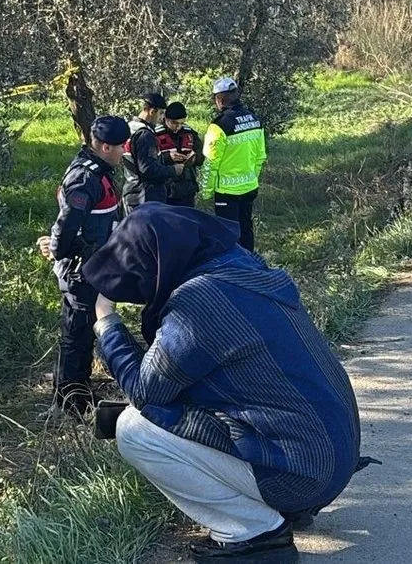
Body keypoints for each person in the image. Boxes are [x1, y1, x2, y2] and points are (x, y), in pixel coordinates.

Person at [82, 204, 360, 563]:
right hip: (328, 458)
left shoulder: (200, 303)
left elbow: (144, 392)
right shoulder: (243, 272)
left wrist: (107, 323)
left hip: (303, 474)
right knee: (179, 406)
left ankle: (255, 535)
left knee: (134, 428)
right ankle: (283, 507)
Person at [37, 116, 129, 415]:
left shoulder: (100, 170)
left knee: (87, 329)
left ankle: (79, 386)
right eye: (120, 147)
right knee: (76, 333)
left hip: (97, 265)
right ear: (104, 147)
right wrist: (56, 249)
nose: (124, 152)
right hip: (80, 269)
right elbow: (67, 227)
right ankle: (70, 400)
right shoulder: (84, 178)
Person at [200, 77, 266, 252]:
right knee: (246, 229)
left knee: (228, 234)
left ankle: (232, 271)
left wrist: (206, 191)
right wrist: (252, 178)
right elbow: (260, 157)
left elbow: (210, 163)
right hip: (250, 187)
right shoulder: (254, 119)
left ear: (219, 100)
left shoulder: (218, 126)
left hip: (227, 192)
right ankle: (250, 267)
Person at [123, 92, 184, 211]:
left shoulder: (130, 128)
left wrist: (166, 157)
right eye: (161, 113)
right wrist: (173, 170)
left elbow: (137, 159)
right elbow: (147, 169)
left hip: (132, 192)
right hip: (146, 197)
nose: (162, 118)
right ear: (152, 111)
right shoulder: (145, 135)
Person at [157, 102, 204, 208]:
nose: (178, 127)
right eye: (174, 123)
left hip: (187, 190)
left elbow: (201, 157)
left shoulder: (190, 133)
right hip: (166, 191)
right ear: (166, 119)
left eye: (181, 123)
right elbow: (149, 162)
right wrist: (168, 157)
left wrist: (194, 158)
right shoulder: (155, 134)